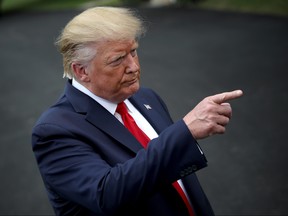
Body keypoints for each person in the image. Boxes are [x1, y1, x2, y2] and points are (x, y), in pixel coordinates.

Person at [31, 6, 243, 216]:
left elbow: (176, 179)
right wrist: (183, 133)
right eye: (117, 60)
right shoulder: (54, 131)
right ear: (81, 70)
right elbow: (106, 194)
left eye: (133, 51)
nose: (133, 66)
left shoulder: (145, 97)